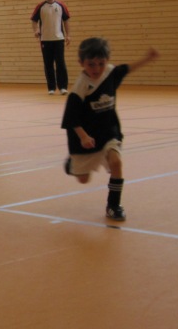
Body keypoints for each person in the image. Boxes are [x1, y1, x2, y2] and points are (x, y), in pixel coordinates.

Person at [61, 37, 159, 221]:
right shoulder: (80, 87)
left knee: (116, 162)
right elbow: (71, 118)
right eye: (91, 64)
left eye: (101, 63)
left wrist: (147, 58)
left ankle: (114, 205)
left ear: (107, 60)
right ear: (81, 63)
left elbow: (127, 69)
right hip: (85, 136)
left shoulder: (110, 73)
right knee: (83, 179)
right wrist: (83, 137)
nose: (97, 69)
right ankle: (73, 164)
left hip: (108, 131)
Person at [31, 0, 72, 95]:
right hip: (45, 40)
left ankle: (63, 87)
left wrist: (68, 35)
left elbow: (66, 21)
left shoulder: (61, 5)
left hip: (59, 39)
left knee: (60, 63)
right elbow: (34, 20)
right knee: (48, 64)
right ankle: (51, 88)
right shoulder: (40, 6)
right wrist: (36, 30)